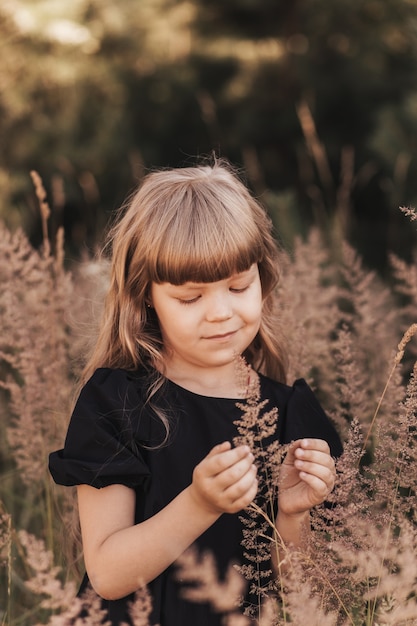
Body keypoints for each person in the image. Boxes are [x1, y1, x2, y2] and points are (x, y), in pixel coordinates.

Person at [49, 158, 342, 626]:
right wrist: (198, 504)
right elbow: (107, 574)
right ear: (146, 295)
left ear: (261, 278)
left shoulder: (289, 413)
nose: (221, 312)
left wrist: (292, 515)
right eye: (191, 297)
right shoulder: (115, 403)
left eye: (238, 286)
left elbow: (299, 593)